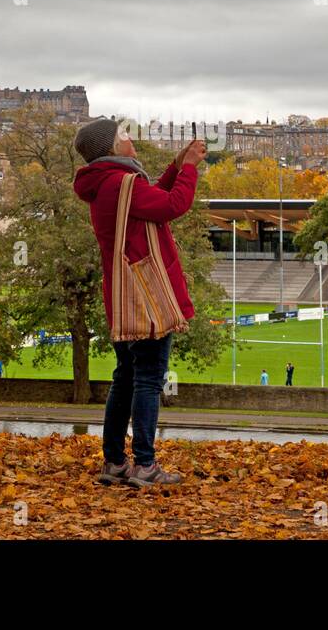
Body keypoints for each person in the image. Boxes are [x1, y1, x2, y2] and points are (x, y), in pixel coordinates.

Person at [72, 118, 205, 488]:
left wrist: (175, 166)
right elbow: (172, 205)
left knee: (126, 377)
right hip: (145, 293)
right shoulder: (119, 183)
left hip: (121, 293)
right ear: (111, 148)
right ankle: (145, 464)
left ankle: (115, 461)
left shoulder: (109, 184)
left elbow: (150, 200)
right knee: (148, 378)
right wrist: (190, 170)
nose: (130, 139)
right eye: (123, 135)